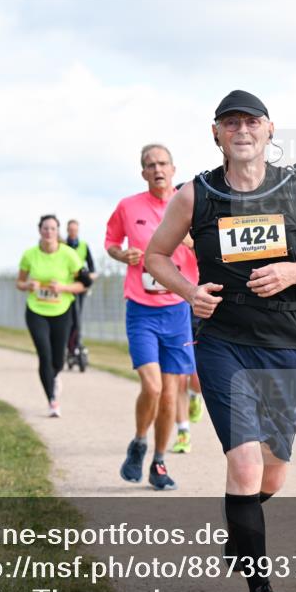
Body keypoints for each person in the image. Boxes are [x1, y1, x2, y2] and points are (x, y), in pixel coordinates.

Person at [145, 90, 296, 592]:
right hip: (222, 342)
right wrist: (190, 292)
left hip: (284, 343)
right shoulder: (195, 194)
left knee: (273, 475)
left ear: (268, 129)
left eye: (251, 121)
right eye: (230, 122)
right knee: (244, 465)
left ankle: (240, 524)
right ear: (216, 133)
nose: (241, 129)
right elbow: (156, 256)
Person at [105, 143, 199, 491]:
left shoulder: (191, 205)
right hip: (141, 309)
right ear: (143, 172)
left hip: (177, 311)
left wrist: (192, 242)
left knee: (171, 394)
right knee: (153, 386)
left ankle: (158, 462)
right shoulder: (128, 207)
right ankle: (139, 441)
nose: (157, 169)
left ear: (174, 168)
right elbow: (111, 241)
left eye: (163, 163)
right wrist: (122, 254)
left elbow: (210, 250)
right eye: (150, 165)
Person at [17, 215, 86, 417]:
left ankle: (54, 376)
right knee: (44, 355)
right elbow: (19, 283)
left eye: (53, 229)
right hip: (36, 310)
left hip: (62, 311)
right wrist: (28, 285)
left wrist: (63, 287)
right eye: (45, 228)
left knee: (58, 358)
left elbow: (82, 285)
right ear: (40, 230)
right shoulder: (29, 255)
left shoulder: (69, 255)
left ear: (58, 231)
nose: (49, 232)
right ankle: (52, 400)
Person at [62, 220, 96, 358]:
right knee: (67, 318)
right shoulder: (62, 246)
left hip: (80, 286)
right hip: (65, 286)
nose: (73, 232)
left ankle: (75, 344)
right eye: (70, 230)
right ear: (67, 230)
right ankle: (66, 344)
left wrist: (90, 278)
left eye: (75, 230)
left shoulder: (83, 246)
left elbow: (92, 267)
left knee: (77, 317)